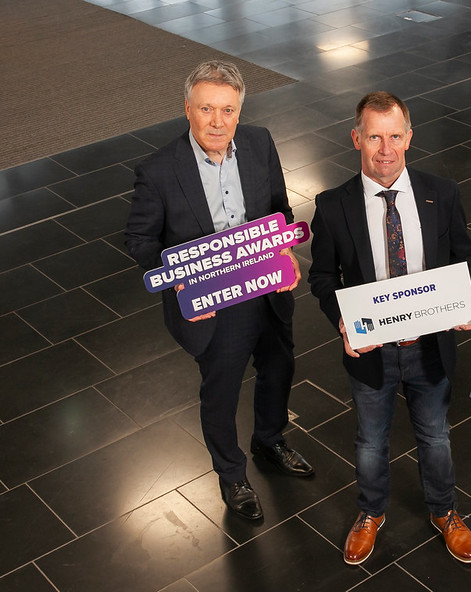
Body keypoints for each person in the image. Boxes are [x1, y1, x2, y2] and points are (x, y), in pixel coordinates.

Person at [125, 60, 314, 522]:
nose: (217, 121)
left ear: (239, 111)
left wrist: (286, 245)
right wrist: (180, 279)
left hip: (267, 287)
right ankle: (232, 474)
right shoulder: (158, 170)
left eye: (227, 110)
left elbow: (278, 208)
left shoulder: (259, 142)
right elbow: (139, 240)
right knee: (222, 391)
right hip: (213, 305)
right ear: (187, 109)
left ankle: (270, 440)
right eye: (206, 109)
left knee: (278, 368)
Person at [309, 91, 471, 565]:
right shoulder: (331, 206)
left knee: (436, 434)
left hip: (431, 345)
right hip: (372, 350)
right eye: (373, 137)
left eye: (394, 136)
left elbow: (464, 257)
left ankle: (444, 511)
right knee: (369, 440)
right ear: (356, 139)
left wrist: (468, 299)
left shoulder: (441, 192)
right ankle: (370, 513)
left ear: (409, 137)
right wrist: (342, 319)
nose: (385, 149)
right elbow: (322, 277)